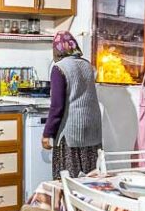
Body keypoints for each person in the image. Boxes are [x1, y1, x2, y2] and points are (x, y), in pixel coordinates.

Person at [42, 31, 102, 177]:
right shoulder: (88, 65)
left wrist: (47, 133)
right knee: (90, 180)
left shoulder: (59, 68)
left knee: (68, 182)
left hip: (71, 132)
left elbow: (57, 106)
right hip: (93, 130)